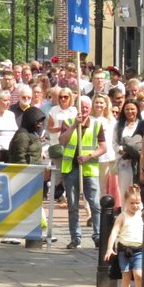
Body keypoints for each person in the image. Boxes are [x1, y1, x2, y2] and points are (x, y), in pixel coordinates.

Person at [59, 97, 108, 249]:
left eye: (87, 106)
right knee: (73, 205)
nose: (85, 109)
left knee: (95, 204)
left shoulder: (96, 125)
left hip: (89, 169)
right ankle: (75, 237)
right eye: (82, 106)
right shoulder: (68, 123)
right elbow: (62, 141)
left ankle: (98, 236)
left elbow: (103, 147)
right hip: (71, 168)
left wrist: (89, 156)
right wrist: (75, 125)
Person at [104, 185, 144, 287]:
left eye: (137, 203)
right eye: (131, 203)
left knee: (139, 274)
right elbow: (114, 232)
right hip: (124, 251)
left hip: (139, 249)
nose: (135, 205)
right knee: (126, 276)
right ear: (125, 202)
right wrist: (109, 248)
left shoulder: (143, 215)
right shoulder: (122, 216)